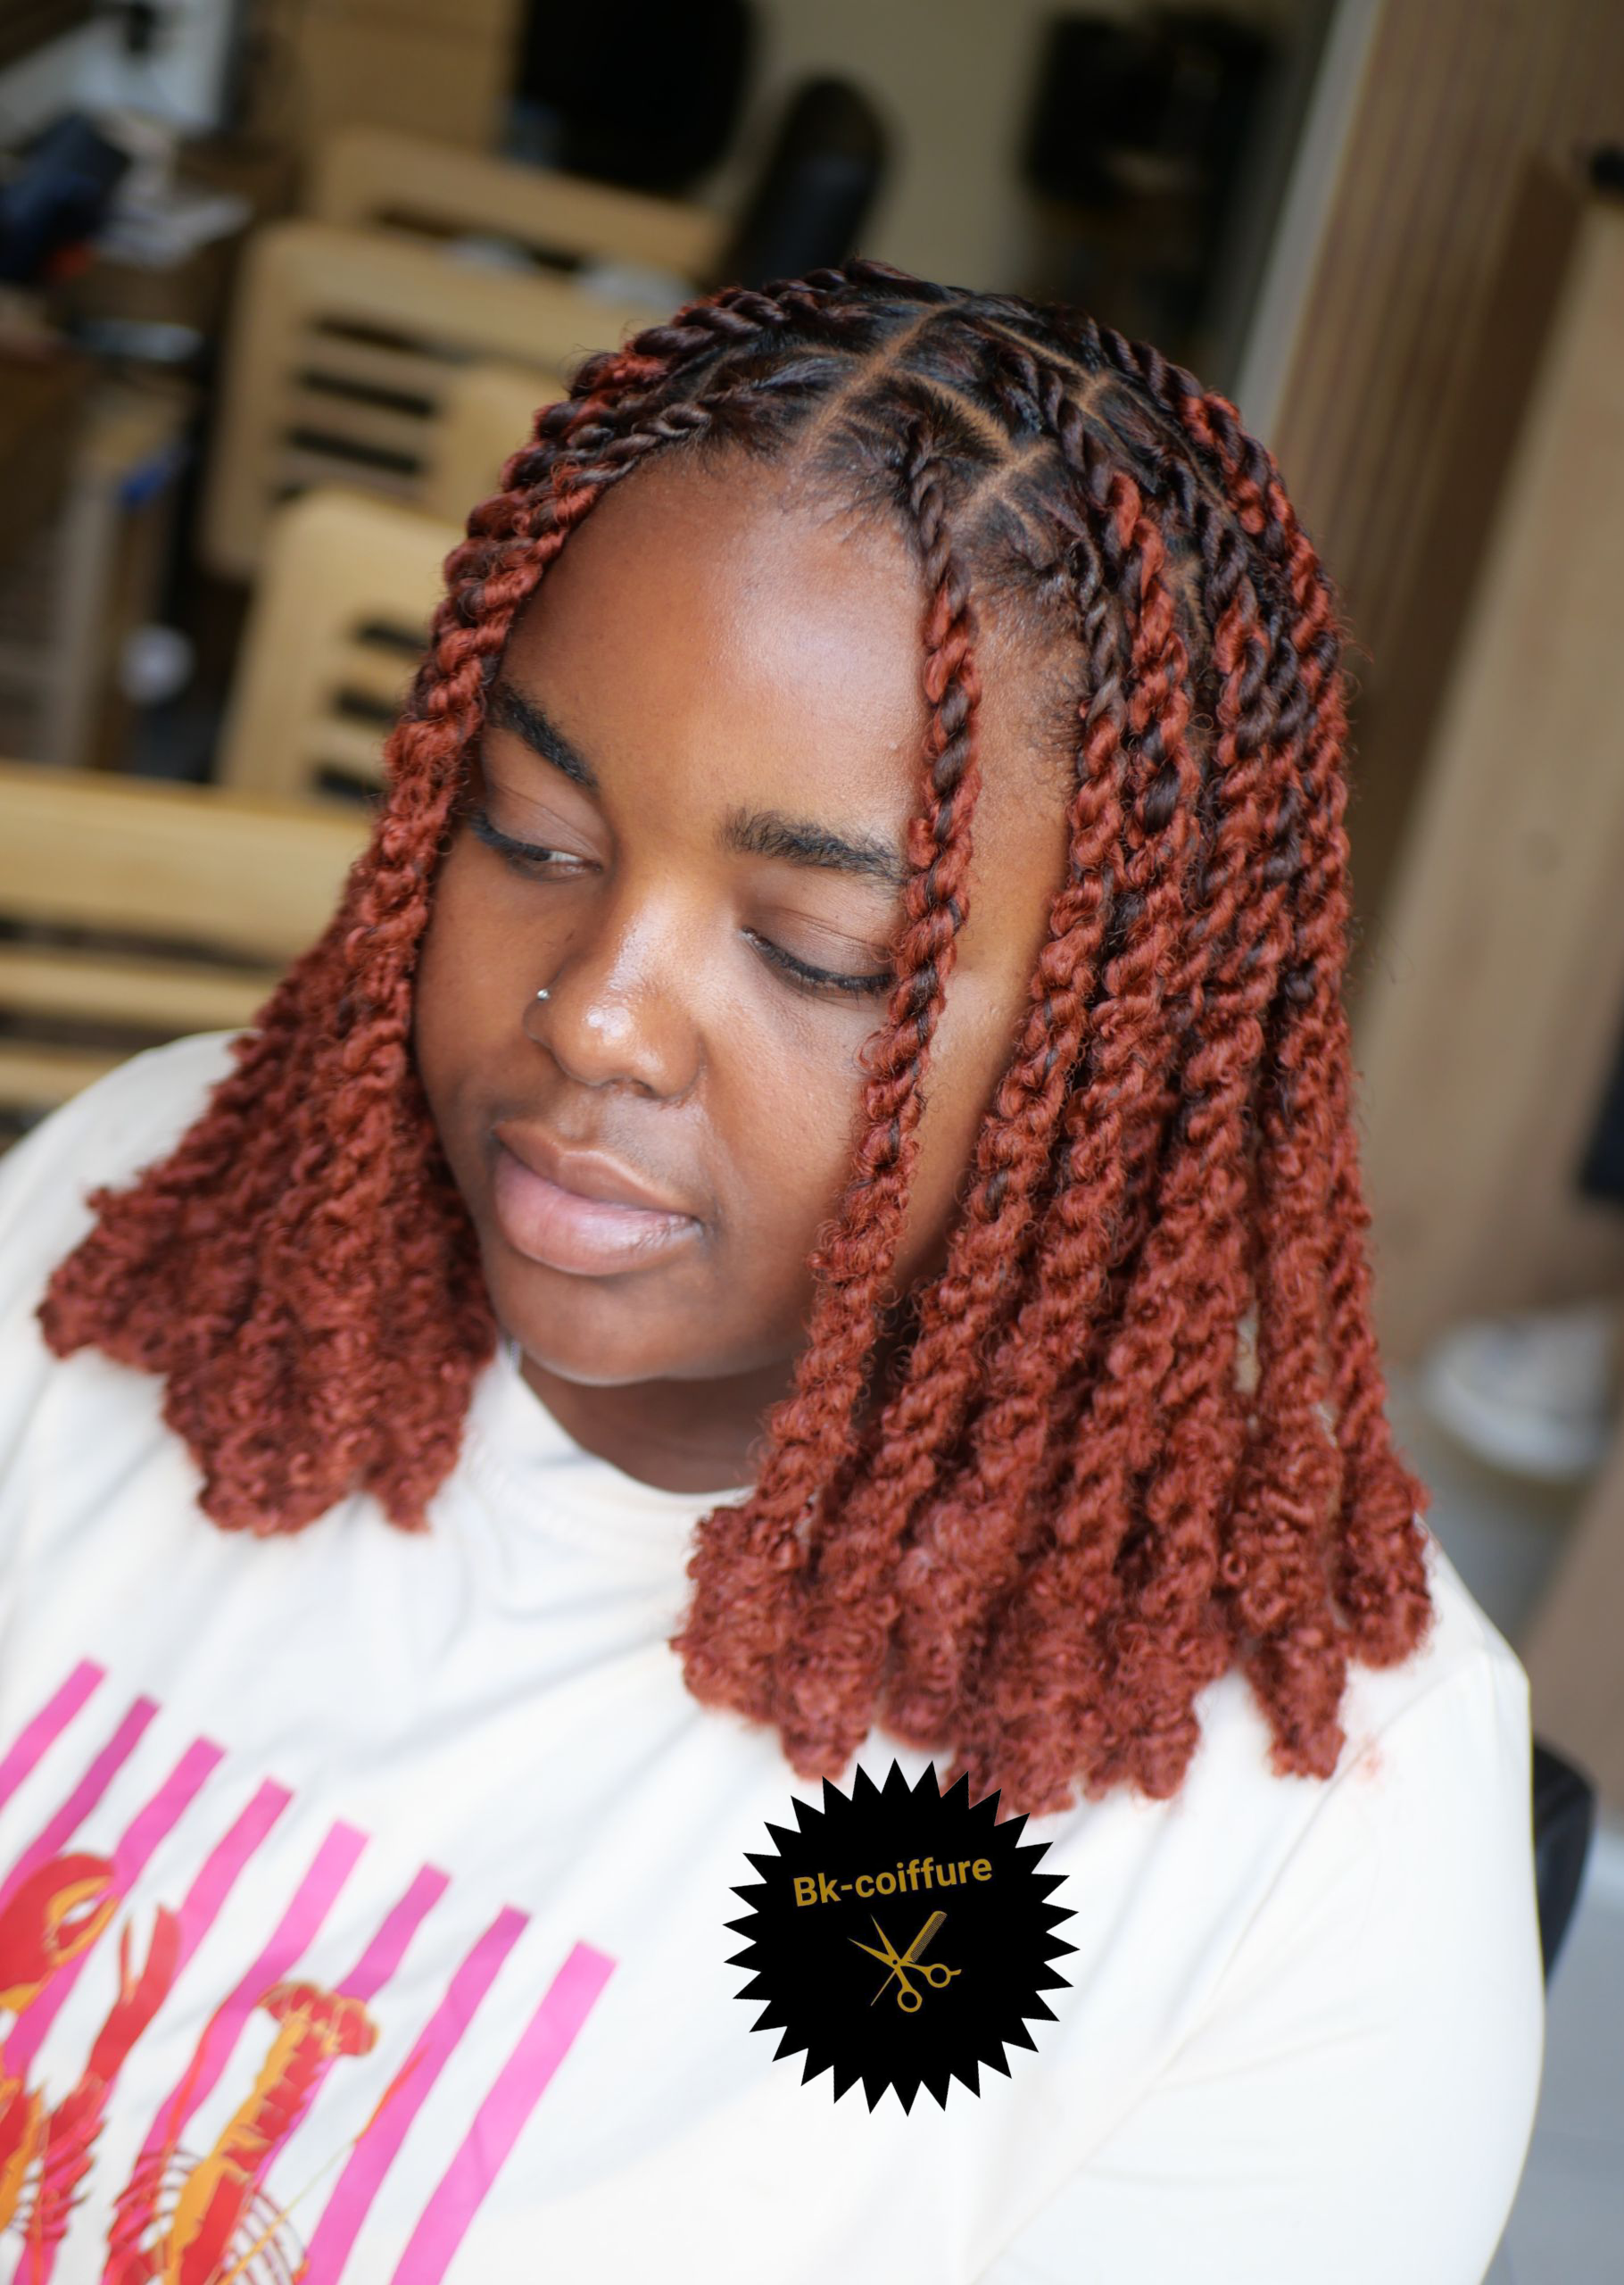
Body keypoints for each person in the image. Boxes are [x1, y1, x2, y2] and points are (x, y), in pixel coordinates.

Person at [0, 262, 1542, 2281]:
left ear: (1119, 1047)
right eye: (532, 835)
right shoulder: (167, 1196)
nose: (600, 1017)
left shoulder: (1298, 1825)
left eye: (820, 956)